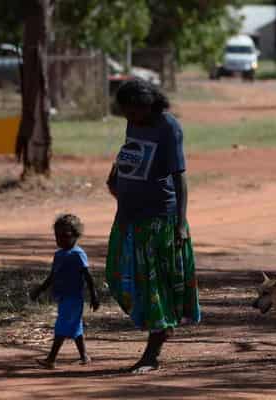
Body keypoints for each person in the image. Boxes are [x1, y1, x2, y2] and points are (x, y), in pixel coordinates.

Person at [106, 78, 201, 373]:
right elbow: (131, 152)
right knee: (116, 272)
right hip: (128, 213)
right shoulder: (134, 124)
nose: (129, 118)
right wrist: (115, 174)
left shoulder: (168, 126)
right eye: (125, 113)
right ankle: (160, 329)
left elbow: (179, 176)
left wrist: (181, 223)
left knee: (153, 285)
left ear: (147, 103)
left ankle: (153, 350)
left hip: (159, 216)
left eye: (133, 112)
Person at [30, 214, 100, 369]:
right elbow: (53, 276)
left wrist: (94, 295)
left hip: (74, 298)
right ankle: (84, 356)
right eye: (57, 236)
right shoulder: (59, 254)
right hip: (63, 297)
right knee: (75, 327)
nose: (60, 239)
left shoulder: (78, 254)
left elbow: (87, 275)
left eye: (65, 236)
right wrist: (40, 289)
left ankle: (51, 359)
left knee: (62, 327)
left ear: (76, 235)